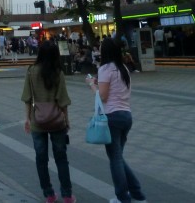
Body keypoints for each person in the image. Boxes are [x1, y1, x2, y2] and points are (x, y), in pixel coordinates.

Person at [86, 38, 147, 203]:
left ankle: (123, 197)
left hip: (112, 117)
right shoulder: (124, 69)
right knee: (118, 156)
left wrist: (92, 84)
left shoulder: (106, 68)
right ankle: (137, 194)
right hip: (126, 115)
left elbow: (103, 96)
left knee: (115, 158)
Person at [21, 41, 75, 203]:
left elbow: (27, 98)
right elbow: (63, 101)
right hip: (57, 121)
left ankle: (49, 194)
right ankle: (67, 195)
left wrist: (27, 119)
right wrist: (67, 120)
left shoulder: (31, 72)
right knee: (61, 158)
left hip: (38, 121)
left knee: (41, 158)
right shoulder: (58, 73)